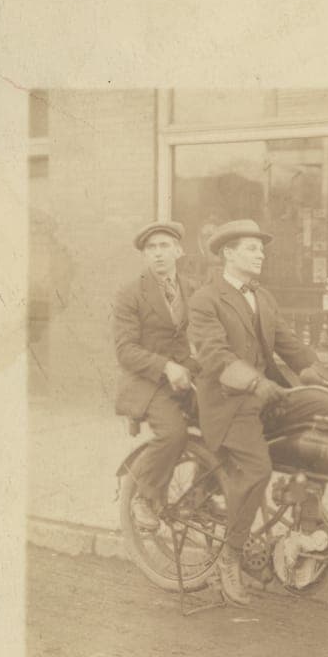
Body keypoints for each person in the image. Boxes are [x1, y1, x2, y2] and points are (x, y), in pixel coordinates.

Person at [188, 219, 328, 606]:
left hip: (266, 397)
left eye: (261, 248)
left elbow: (291, 346)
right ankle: (229, 556)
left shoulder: (264, 298)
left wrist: (322, 378)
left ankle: (309, 521)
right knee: (257, 470)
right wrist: (255, 382)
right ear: (228, 253)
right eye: (251, 248)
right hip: (229, 405)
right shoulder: (206, 300)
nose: (260, 254)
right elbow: (214, 356)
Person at [113, 220, 199, 527]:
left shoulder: (192, 289)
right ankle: (143, 496)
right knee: (173, 433)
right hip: (147, 383)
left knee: (225, 421)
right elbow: (125, 350)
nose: (158, 254)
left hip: (186, 378)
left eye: (165, 246)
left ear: (178, 250)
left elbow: (200, 336)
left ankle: (201, 494)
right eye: (151, 248)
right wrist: (166, 366)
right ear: (144, 256)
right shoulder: (131, 294)